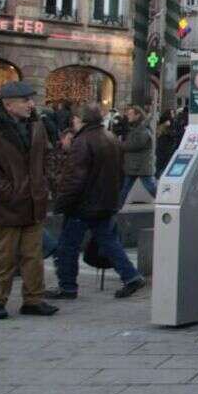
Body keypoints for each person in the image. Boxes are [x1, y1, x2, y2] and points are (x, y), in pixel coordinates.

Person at [0, 82, 57, 320]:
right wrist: (8, 191)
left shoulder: (37, 124)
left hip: (33, 201)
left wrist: (43, 182)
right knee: (3, 257)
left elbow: (47, 155)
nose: (31, 104)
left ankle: (34, 299)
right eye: (25, 100)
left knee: (33, 256)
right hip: (5, 204)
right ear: (8, 104)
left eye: (31, 100)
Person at [49, 103, 147, 300]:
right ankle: (131, 276)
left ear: (81, 120)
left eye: (75, 119)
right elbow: (120, 171)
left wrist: (62, 202)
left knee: (68, 246)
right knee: (109, 242)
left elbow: (75, 178)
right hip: (105, 202)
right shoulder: (110, 138)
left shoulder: (82, 141)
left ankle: (67, 286)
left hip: (83, 204)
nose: (73, 123)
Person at [117, 104, 157, 209]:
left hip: (141, 166)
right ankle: (116, 209)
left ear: (137, 115)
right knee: (124, 188)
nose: (127, 116)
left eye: (130, 114)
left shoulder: (143, 129)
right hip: (134, 165)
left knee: (151, 187)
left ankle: (166, 203)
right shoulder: (137, 128)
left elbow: (134, 144)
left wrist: (120, 145)